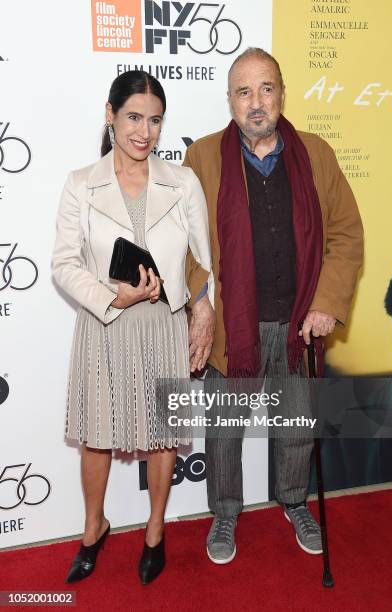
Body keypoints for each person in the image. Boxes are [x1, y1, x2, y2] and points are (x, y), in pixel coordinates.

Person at [184, 48, 364, 563]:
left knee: (295, 425)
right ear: (230, 100)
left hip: (298, 323)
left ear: (282, 93)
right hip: (230, 325)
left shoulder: (316, 153)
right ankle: (224, 513)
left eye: (266, 89)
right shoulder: (201, 157)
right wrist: (200, 304)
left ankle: (293, 501)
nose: (256, 102)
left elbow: (347, 233)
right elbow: (184, 244)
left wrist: (326, 302)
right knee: (223, 431)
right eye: (244, 92)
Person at [52, 70, 214, 585]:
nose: (145, 131)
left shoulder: (182, 181)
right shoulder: (82, 183)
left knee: (164, 435)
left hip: (164, 326)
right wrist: (110, 297)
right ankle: (93, 526)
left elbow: (204, 261)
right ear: (111, 115)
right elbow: (63, 264)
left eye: (155, 120)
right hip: (106, 324)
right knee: (96, 436)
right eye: (134, 117)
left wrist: (200, 310)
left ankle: (155, 530)